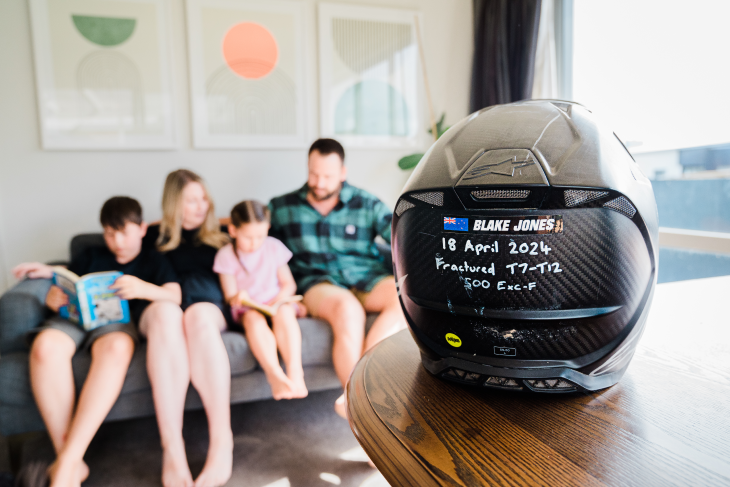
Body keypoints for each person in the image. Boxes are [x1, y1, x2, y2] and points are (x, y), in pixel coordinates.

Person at [12, 197, 181, 487]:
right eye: (109, 233)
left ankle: (65, 467)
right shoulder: (91, 254)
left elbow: (175, 296)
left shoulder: (154, 259)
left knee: (116, 349)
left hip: (115, 323)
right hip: (73, 319)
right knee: (45, 348)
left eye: (124, 233)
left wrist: (142, 288)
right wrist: (53, 296)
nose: (117, 242)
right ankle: (70, 461)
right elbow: (64, 279)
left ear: (141, 229)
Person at [269, 138, 406, 418]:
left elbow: (401, 235)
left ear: (342, 172)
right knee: (348, 309)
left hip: (366, 276)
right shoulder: (282, 208)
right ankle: (358, 401)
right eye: (313, 174)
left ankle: (363, 386)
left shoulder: (366, 203)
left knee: (405, 293)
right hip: (319, 283)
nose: (319, 182)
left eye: (327, 176)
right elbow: (255, 246)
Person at [142, 170, 232, 487]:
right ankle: (173, 450)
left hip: (206, 308)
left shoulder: (223, 236)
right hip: (162, 310)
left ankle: (222, 443)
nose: (201, 206)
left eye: (204, 198)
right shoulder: (151, 239)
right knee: (168, 314)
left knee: (197, 317)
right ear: (173, 204)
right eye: (191, 200)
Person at [214, 200, 307, 400]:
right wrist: (238, 297)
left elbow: (288, 284)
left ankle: (295, 371)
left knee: (284, 313)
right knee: (253, 320)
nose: (255, 243)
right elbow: (230, 296)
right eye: (248, 237)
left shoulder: (273, 247)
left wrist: (278, 301)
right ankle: (274, 374)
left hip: (276, 302)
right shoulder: (225, 256)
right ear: (233, 230)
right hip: (250, 307)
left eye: (261, 236)